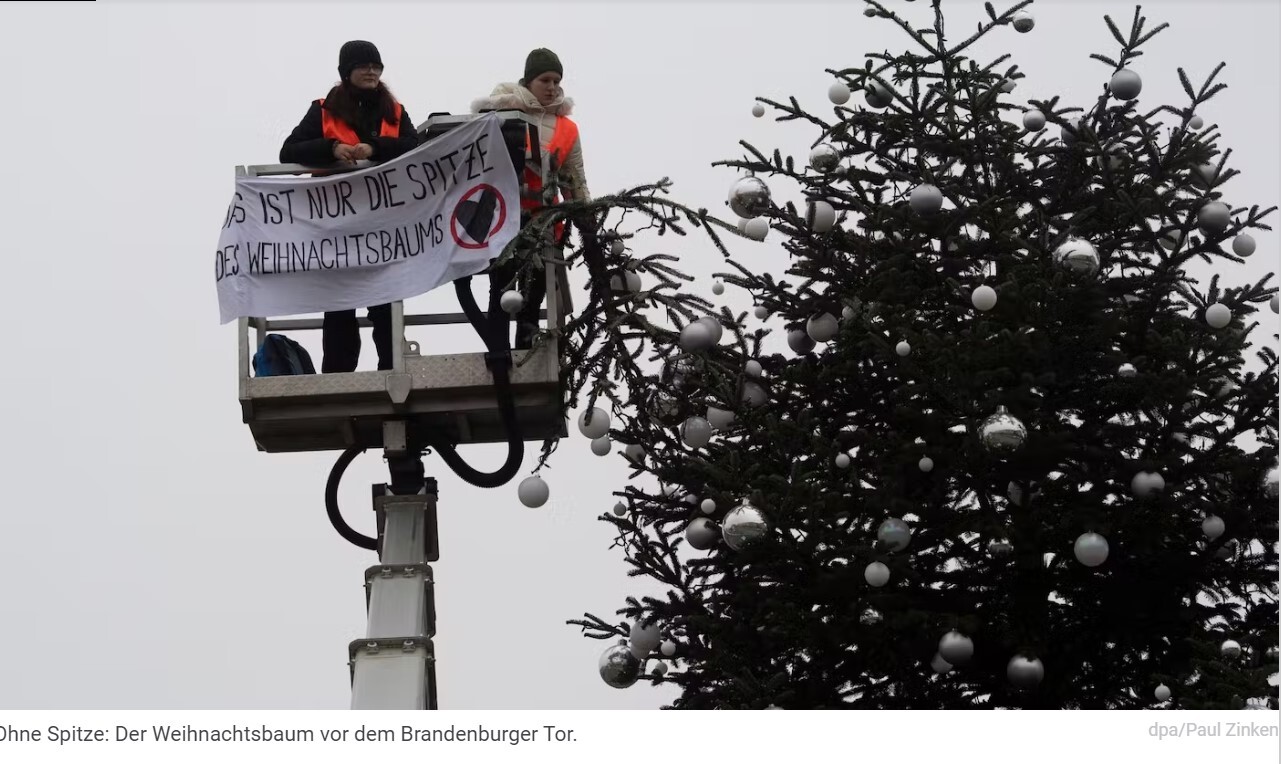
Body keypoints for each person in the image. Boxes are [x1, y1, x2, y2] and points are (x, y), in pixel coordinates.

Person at [279, 40, 420, 372]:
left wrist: (375, 148)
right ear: (347, 72)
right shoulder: (323, 110)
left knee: (385, 306)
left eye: (376, 66)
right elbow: (289, 151)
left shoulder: (395, 111)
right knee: (340, 307)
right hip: (337, 228)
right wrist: (332, 148)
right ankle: (338, 376)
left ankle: (392, 371)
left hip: (382, 226)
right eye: (363, 66)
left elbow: (415, 148)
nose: (371, 71)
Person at [470, 47, 591, 350]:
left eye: (556, 81)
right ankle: (498, 356)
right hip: (504, 219)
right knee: (501, 288)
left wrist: (587, 217)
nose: (552, 88)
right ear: (528, 81)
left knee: (534, 293)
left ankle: (526, 352)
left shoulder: (567, 127)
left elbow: (575, 178)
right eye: (545, 80)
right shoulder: (499, 114)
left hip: (547, 223)